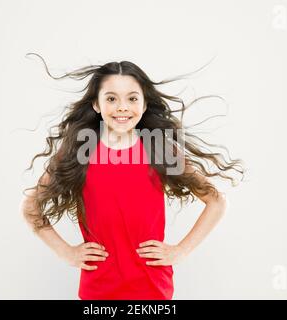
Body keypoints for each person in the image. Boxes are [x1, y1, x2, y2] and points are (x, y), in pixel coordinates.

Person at [20, 53, 245, 299]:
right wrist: (66, 252)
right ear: (96, 104)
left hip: (152, 289)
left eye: (132, 98)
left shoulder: (159, 149)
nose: (122, 107)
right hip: (98, 291)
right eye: (111, 98)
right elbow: (31, 205)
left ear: (145, 103)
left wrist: (181, 250)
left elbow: (216, 201)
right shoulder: (79, 150)